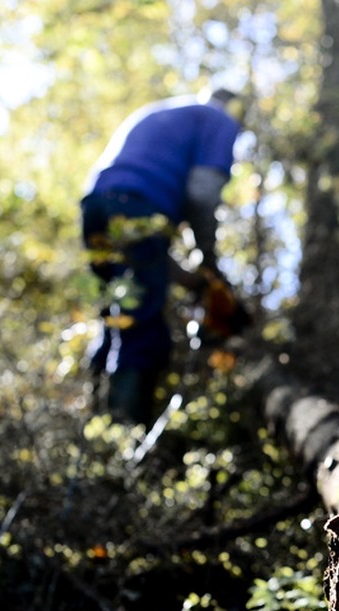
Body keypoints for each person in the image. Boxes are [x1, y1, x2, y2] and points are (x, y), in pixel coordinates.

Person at [80, 86, 244, 425]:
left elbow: (150, 255)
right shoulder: (220, 119)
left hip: (96, 207)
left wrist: (194, 280)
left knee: (118, 317)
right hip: (137, 210)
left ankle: (92, 427)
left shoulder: (163, 113)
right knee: (144, 328)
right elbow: (202, 193)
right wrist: (210, 263)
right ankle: (123, 434)